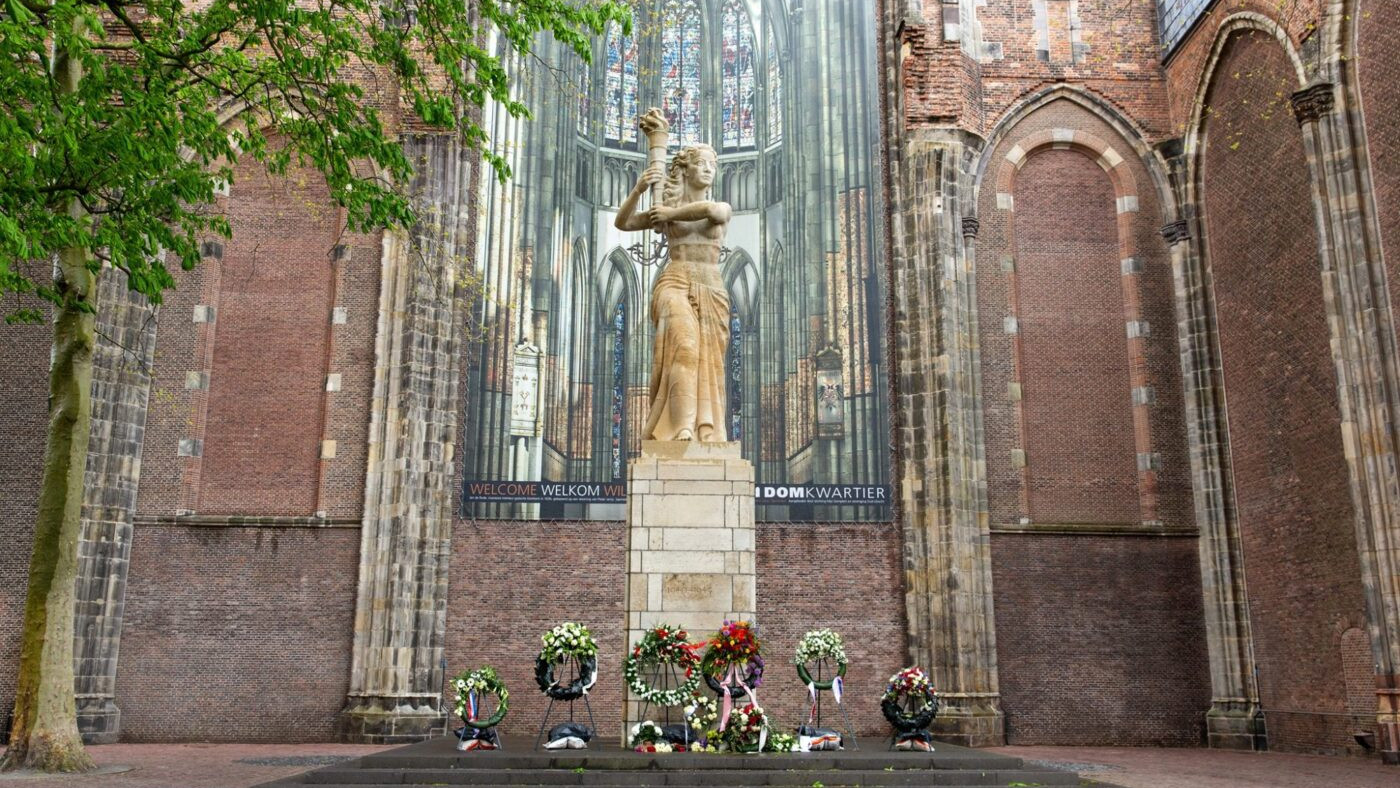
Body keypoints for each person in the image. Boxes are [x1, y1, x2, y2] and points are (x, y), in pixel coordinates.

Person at [614, 144, 733, 441]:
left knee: (710, 365)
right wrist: (639, 189)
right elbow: (623, 222)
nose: (708, 169)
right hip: (675, 280)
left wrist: (669, 213)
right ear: (685, 169)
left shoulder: (720, 207)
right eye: (701, 163)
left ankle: (706, 427)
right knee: (685, 347)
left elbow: (712, 211)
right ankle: (681, 428)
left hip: (711, 286)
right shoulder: (667, 212)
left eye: (712, 165)